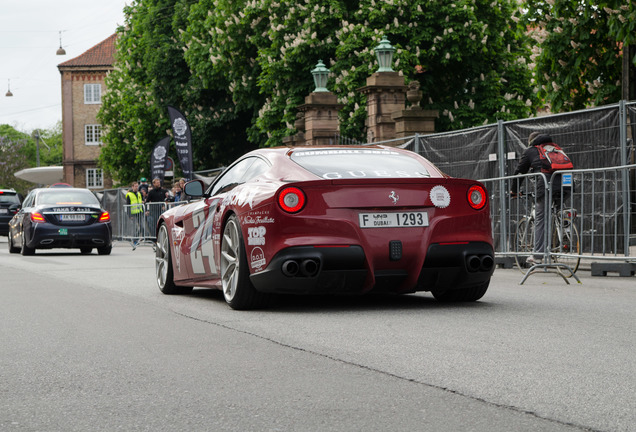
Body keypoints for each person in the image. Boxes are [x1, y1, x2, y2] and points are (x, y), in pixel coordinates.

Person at [511, 132, 572, 265]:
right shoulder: (556, 149)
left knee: (540, 218)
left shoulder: (531, 151)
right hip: (567, 183)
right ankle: (560, 234)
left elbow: (520, 172)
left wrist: (514, 191)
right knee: (553, 212)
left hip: (547, 183)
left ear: (531, 141)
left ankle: (537, 256)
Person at [125, 181, 144, 246]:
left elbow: (141, 202)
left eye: (137, 186)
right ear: (132, 187)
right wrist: (129, 215)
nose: (137, 187)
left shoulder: (139, 194)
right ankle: (134, 240)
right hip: (133, 213)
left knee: (142, 226)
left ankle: (137, 238)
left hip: (139, 212)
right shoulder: (129, 194)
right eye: (135, 186)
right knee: (135, 227)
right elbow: (128, 205)